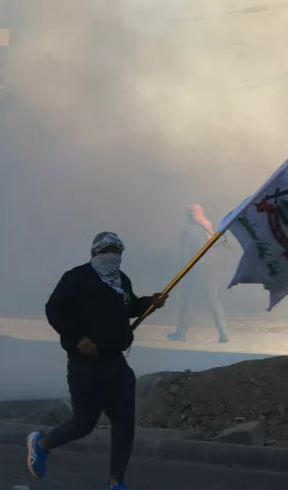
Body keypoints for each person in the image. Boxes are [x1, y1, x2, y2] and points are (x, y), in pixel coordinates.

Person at [26, 231, 167, 490]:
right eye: (106, 251)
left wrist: (151, 302)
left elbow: (130, 306)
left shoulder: (121, 280)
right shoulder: (76, 278)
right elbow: (54, 309)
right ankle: (42, 444)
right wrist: (77, 337)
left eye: (117, 252)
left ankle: (116, 483)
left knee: (124, 426)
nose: (111, 256)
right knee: (84, 424)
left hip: (117, 363)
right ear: (93, 254)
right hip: (85, 365)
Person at [167, 204, 229, 344]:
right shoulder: (209, 228)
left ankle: (181, 333)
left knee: (188, 301)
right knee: (214, 301)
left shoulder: (188, 231)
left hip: (195, 270)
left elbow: (185, 255)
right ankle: (223, 333)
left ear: (190, 215)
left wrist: (183, 273)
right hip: (211, 270)